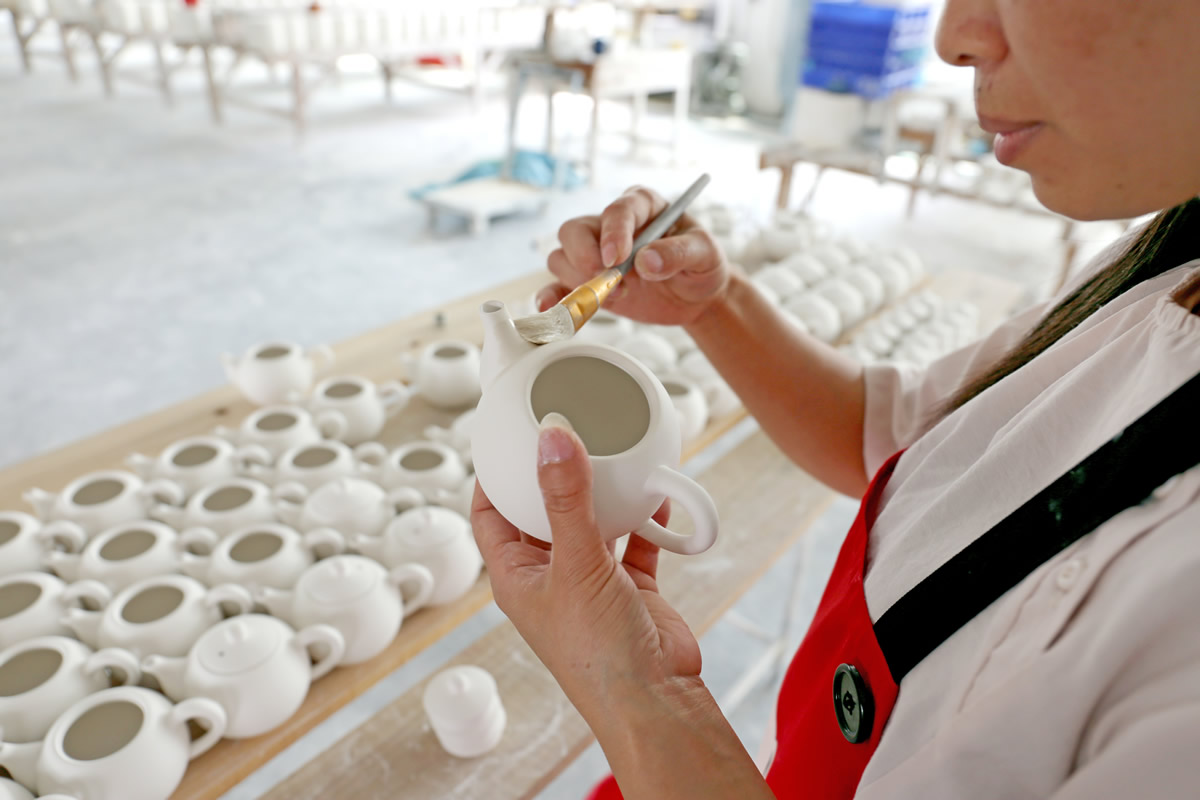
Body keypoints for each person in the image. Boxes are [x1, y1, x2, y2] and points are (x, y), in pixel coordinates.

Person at [470, 0, 1200, 797]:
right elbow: (906, 438)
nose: (953, 38)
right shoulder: (1167, 257)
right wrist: (711, 305)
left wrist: (636, 691)